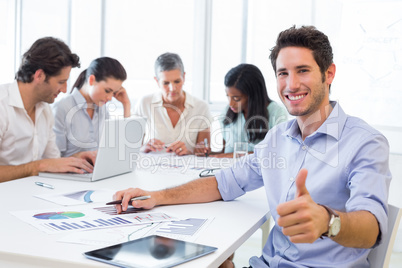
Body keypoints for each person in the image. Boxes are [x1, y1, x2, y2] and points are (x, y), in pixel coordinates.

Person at [113, 25, 391, 268]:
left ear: (328, 73)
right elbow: (224, 182)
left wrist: (327, 221)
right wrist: (156, 196)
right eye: (283, 73)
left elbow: (371, 229)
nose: (291, 84)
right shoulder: (277, 139)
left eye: (303, 70)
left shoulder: (365, 142)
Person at [0, 37, 96, 183]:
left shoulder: (45, 110)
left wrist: (75, 160)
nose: (64, 90)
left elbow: (52, 162)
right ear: (39, 75)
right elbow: (41, 166)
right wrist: (37, 167)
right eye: (61, 82)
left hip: (35, 194)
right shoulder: (2, 105)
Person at [134, 52, 212, 155]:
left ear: (184, 77)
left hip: (187, 169)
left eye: (177, 81)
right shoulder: (144, 103)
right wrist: (144, 148)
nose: (172, 88)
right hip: (151, 168)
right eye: (166, 83)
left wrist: (189, 152)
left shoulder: (201, 107)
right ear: (157, 81)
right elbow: (131, 149)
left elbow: (205, 153)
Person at [52, 57, 131, 157]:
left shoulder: (102, 108)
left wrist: (126, 104)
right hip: (70, 172)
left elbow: (122, 147)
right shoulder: (62, 108)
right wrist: (80, 157)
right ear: (92, 80)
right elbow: (53, 159)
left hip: (96, 171)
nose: (110, 98)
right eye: (107, 91)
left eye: (114, 92)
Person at [213, 63, 288, 158]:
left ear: (253, 95)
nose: (230, 103)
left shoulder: (276, 113)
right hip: (229, 169)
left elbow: (278, 153)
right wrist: (207, 153)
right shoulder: (227, 113)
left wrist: (234, 155)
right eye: (228, 96)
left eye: (236, 98)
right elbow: (224, 153)